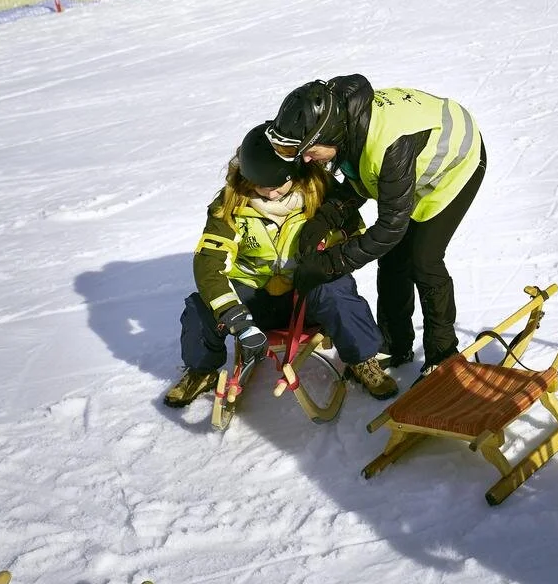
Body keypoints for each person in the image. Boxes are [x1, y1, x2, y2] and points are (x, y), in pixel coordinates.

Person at [164, 122, 397, 408]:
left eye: (277, 186)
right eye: (261, 185)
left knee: (338, 292)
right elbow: (209, 263)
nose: (270, 194)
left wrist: (325, 253)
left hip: (307, 296)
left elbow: (354, 232)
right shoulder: (229, 206)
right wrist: (234, 314)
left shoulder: (322, 191)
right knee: (201, 307)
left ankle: (362, 360)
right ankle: (201, 371)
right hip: (254, 299)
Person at [265, 77, 486, 376]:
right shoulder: (347, 126)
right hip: (409, 166)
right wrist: (322, 221)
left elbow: (389, 230)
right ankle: (395, 344)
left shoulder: (387, 145)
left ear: (328, 134)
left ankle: (443, 354)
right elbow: (360, 183)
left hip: (455, 162)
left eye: (310, 150)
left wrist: (331, 263)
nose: (305, 158)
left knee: (424, 259)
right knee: (394, 260)